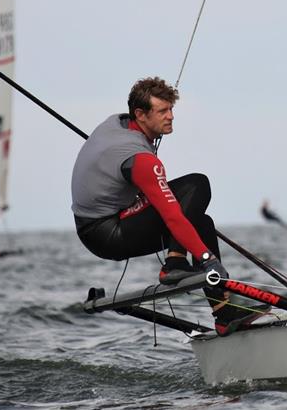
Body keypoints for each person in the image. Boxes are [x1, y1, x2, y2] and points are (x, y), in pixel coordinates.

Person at [71, 77, 262, 337]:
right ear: (140, 114)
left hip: (95, 223)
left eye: (171, 109)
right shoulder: (140, 160)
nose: (170, 117)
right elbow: (173, 217)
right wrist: (209, 260)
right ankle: (174, 264)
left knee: (203, 223)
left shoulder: (116, 123)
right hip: (107, 233)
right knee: (197, 185)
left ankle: (224, 313)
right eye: (162, 111)